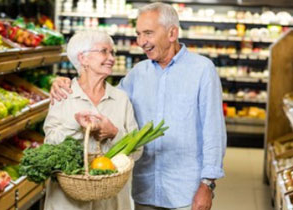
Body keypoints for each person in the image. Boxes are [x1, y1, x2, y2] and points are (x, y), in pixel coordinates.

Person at [50, 3, 226, 210]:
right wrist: (65, 82)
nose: (142, 42)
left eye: (148, 33)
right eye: (139, 34)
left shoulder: (202, 70)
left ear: (172, 33)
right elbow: (103, 97)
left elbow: (214, 131)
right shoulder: (137, 73)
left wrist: (207, 184)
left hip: (185, 191)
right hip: (145, 189)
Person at [43, 30, 139, 210]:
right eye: (104, 51)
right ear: (83, 58)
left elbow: (137, 152)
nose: (111, 58)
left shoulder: (121, 99)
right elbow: (50, 143)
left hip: (111, 203)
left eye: (113, 53)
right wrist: (75, 125)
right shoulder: (63, 95)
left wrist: (114, 133)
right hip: (67, 203)